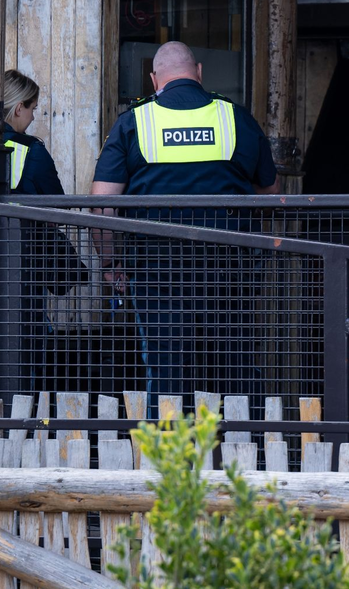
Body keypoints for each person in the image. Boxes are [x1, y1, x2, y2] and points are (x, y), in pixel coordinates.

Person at [90, 41, 278, 404]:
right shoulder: (234, 117)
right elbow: (271, 192)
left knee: (166, 371)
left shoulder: (134, 122)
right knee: (234, 366)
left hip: (157, 273)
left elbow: (103, 207)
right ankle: (242, 450)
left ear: (153, 79)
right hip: (229, 271)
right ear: (200, 72)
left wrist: (111, 265)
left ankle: (170, 453)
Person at [2, 70, 88, 391]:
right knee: (31, 337)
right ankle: (32, 410)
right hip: (24, 266)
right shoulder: (31, 152)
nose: (34, 117)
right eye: (34, 108)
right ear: (18, 107)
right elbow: (59, 208)